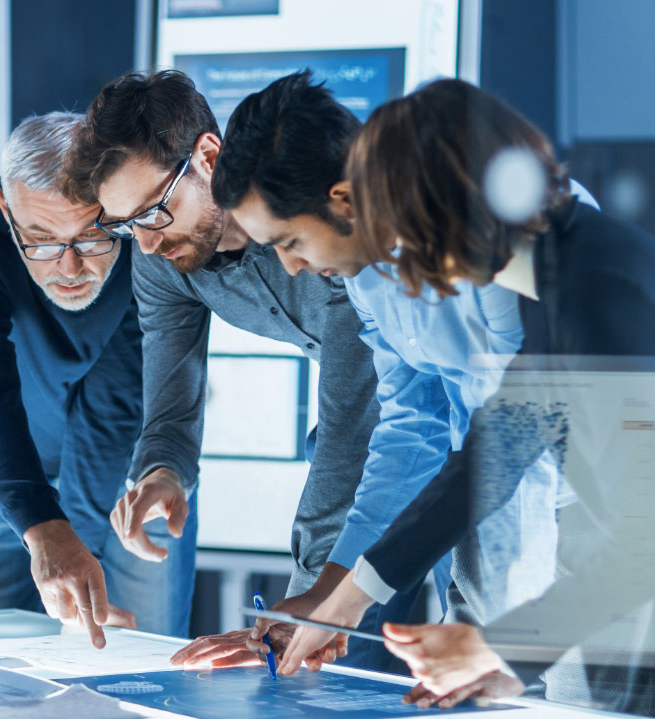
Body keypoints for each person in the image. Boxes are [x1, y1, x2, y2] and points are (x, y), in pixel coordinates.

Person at [277, 78, 655, 719]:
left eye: (391, 223)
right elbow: (493, 455)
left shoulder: (600, 290)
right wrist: (350, 599)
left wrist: (499, 649)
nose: (387, 257)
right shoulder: (549, 275)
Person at [205, 71, 597, 668]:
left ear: (341, 199)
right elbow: (413, 428)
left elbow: (519, 438)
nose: (289, 269)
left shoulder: (493, 230)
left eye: (289, 242)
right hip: (489, 510)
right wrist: (332, 590)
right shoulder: (364, 268)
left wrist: (361, 595)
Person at [61, 70, 434, 672]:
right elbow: (171, 397)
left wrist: (308, 606)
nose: (148, 245)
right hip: (415, 441)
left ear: (207, 156)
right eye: (127, 226)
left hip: (418, 445)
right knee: (380, 658)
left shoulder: (325, 232)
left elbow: (355, 429)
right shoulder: (162, 256)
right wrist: (163, 471)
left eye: (155, 212)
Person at [0, 112, 195, 642]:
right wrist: (40, 524)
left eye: (92, 237)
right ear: (7, 210)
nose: (69, 268)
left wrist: (79, 550)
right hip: (0, 470)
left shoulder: (145, 236)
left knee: (142, 671)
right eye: (42, 241)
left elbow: (114, 406)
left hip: (131, 478)